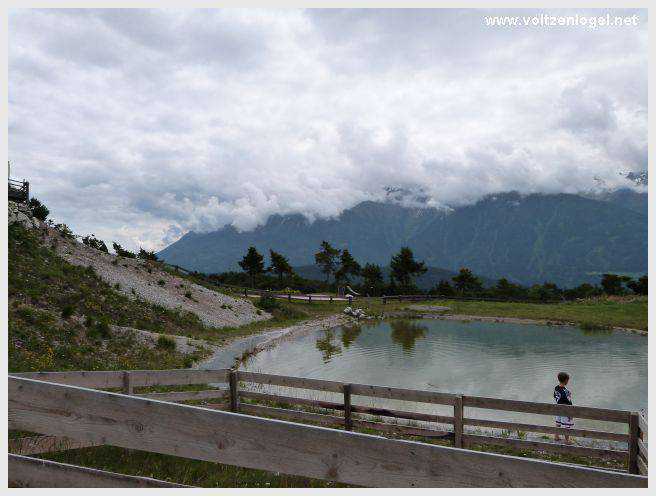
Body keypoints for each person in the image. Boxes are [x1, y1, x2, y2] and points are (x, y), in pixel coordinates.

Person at [554, 371, 574, 443]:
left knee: (558, 423)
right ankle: (567, 440)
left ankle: (556, 436)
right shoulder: (566, 392)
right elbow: (569, 403)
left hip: (558, 409)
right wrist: (571, 413)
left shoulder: (556, 388)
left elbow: (555, 397)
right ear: (566, 380)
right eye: (568, 380)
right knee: (567, 425)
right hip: (565, 410)